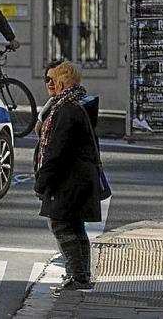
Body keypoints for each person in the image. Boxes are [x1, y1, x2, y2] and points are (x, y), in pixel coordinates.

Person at [34, 61, 101, 292]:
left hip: (69, 178)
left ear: (62, 83)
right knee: (75, 226)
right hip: (77, 177)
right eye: (47, 80)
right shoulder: (73, 103)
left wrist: (42, 182)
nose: (49, 84)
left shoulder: (67, 109)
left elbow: (56, 150)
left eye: (52, 80)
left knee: (62, 225)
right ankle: (81, 276)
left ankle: (78, 276)